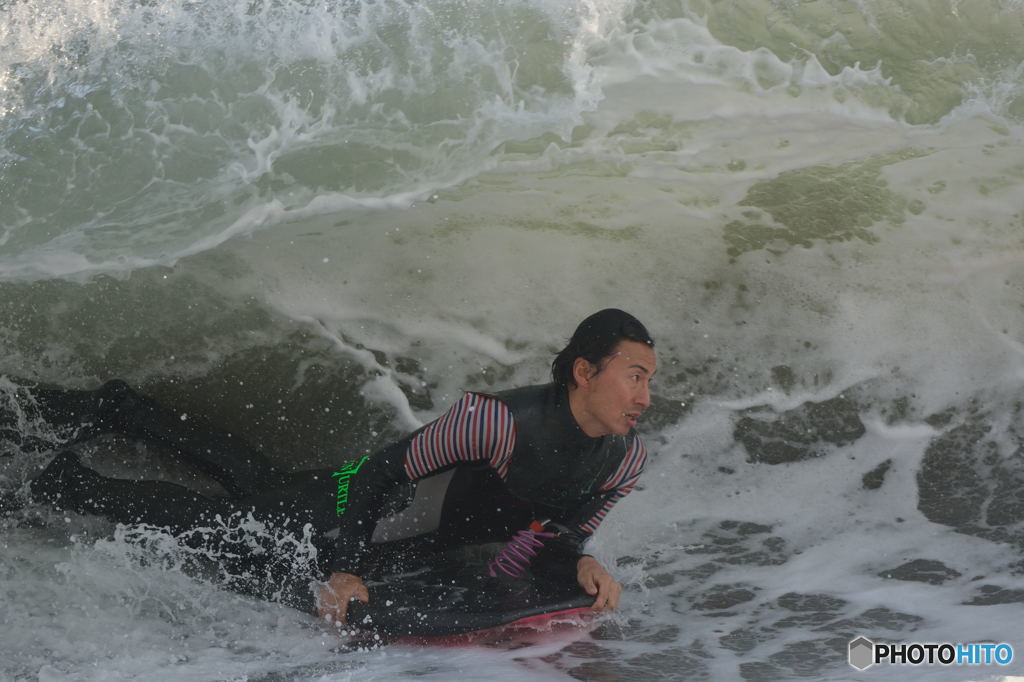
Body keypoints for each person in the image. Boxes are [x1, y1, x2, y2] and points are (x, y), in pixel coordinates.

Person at [24, 308, 657, 623]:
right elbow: (381, 476)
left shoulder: (624, 461)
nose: (645, 397)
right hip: (340, 516)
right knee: (216, 520)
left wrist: (581, 559)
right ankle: (58, 483)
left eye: (650, 380)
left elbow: (559, 531)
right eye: (634, 377)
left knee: (264, 482)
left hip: (383, 539)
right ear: (584, 371)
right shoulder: (496, 421)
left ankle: (125, 409)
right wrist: (344, 571)